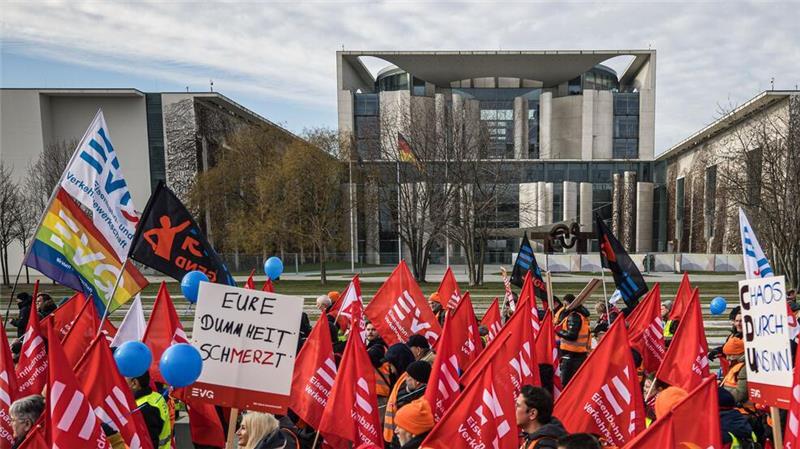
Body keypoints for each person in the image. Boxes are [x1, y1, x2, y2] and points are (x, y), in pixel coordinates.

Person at [383, 344, 417, 445]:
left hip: (399, 437)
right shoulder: (403, 378)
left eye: (391, 365)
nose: (391, 370)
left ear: (398, 363)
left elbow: (402, 408)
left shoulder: (407, 381)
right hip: (396, 435)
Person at [126, 371, 170, 449]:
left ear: (134, 383)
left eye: (124, 378)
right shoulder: (156, 396)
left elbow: (150, 443)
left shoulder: (143, 408)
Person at [555, 297, 591, 387]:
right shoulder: (580, 315)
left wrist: (558, 331)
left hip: (572, 355)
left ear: (571, 304)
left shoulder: (574, 316)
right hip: (578, 354)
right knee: (576, 383)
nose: (564, 307)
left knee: (566, 384)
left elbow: (572, 336)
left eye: (565, 304)